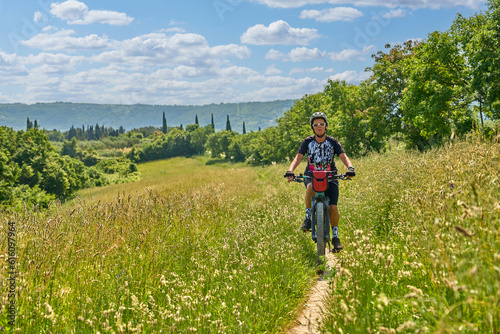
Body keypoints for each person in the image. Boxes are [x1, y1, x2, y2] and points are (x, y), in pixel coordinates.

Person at [284, 112, 355, 252]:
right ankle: (308, 218)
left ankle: (335, 237)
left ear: (326, 126)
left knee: (333, 208)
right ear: (313, 128)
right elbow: (297, 158)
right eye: (315, 125)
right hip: (311, 174)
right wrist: (290, 170)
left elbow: (344, 156)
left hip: (330, 175)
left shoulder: (333, 141)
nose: (319, 126)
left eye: (321, 124)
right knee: (310, 186)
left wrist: (350, 168)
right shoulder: (307, 142)